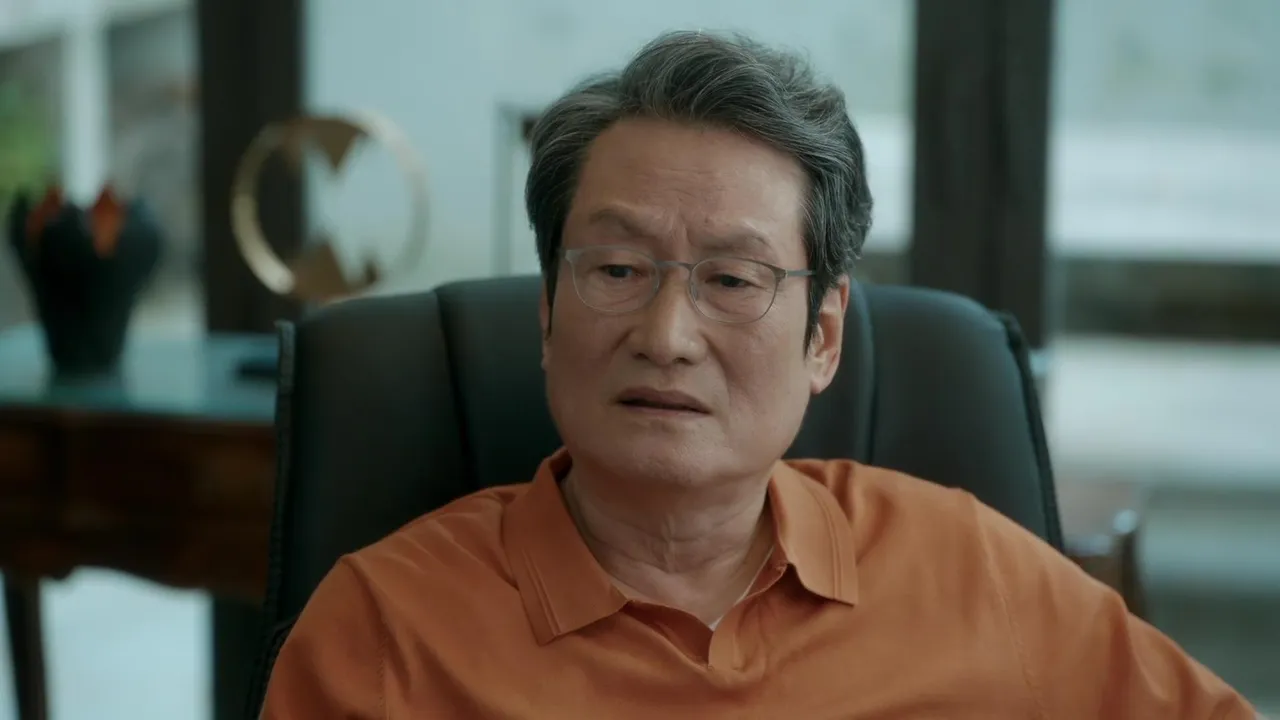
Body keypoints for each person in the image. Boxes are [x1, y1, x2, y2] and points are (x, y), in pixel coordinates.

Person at [261, 30, 1259, 719]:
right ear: (547, 314)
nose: (666, 336)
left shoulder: (968, 568)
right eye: (617, 270)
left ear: (822, 337)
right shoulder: (383, 632)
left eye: (732, 280)